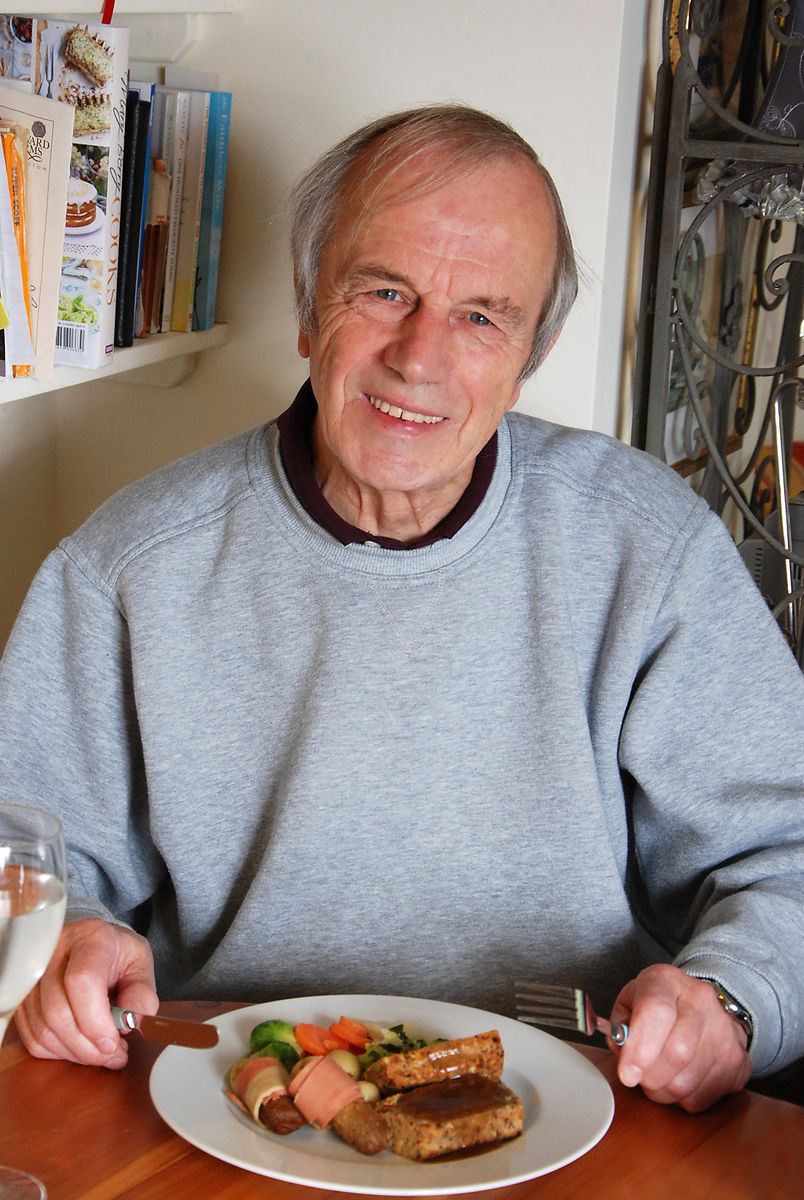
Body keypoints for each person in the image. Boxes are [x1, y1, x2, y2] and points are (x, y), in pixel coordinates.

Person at [2, 104, 803, 1115]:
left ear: (530, 356)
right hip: (233, 1109)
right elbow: (21, 858)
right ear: (307, 304)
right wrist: (68, 945)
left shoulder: (648, 547)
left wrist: (731, 1002)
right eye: (385, 291)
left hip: (583, 1111)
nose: (419, 358)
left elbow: (788, 855)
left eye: (481, 316)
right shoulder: (123, 568)